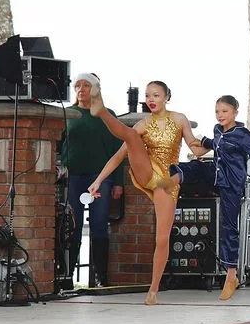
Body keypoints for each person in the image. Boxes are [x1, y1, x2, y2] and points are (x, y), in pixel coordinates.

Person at [87, 80, 207, 305]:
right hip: (146, 170)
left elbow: (195, 147)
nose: (151, 100)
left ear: (167, 97)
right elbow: (118, 157)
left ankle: (153, 290)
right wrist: (98, 181)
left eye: (156, 95)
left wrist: (215, 143)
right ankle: (102, 111)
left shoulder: (179, 119)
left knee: (162, 238)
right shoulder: (143, 124)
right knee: (132, 136)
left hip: (167, 180)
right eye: (148, 95)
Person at [172, 95, 250, 300]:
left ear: (235, 112)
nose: (220, 115)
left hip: (232, 184)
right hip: (216, 176)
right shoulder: (217, 130)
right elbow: (217, 144)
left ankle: (231, 275)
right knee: (196, 167)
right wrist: (204, 141)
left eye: (224, 111)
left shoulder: (242, 134)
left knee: (229, 228)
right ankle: (170, 174)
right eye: (217, 111)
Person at [59, 73, 124, 287]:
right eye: (77, 85)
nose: (81, 89)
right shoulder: (68, 114)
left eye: (86, 85)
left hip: (100, 177)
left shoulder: (107, 115)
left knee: (99, 224)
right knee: (72, 225)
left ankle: (100, 277)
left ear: (96, 89)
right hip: (74, 177)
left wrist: (118, 182)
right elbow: (57, 145)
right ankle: (66, 275)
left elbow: (117, 149)